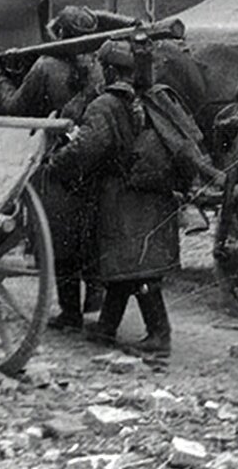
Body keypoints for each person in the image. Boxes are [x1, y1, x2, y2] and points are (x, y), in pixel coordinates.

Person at [48, 39, 215, 359]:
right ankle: (108, 326)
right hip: (155, 193)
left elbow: (89, 147)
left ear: (109, 70)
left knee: (136, 266)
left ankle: (159, 333)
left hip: (124, 195)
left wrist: (57, 163)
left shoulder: (106, 104)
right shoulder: (155, 97)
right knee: (128, 264)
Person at [12, 7, 106, 329]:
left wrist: (3, 82)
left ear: (62, 33)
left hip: (56, 155)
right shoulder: (97, 67)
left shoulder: (44, 66)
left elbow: (18, 108)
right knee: (88, 228)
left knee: (60, 234)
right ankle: (94, 293)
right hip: (91, 156)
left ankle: (70, 313)